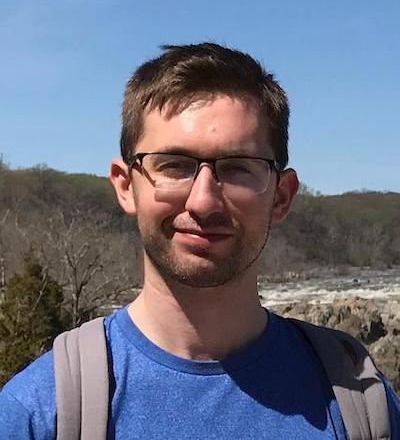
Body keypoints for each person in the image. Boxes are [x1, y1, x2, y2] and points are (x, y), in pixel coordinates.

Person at [0, 42, 399, 439]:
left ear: (281, 195)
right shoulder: (41, 413)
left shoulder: (363, 402)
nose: (204, 201)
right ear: (126, 187)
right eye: (174, 165)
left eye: (238, 168)